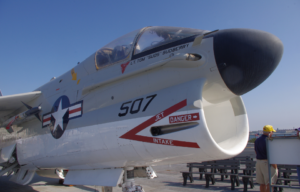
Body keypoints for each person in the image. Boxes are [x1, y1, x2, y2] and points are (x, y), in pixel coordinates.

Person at [254, 125, 278, 192]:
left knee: (262, 183)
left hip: (259, 162)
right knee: (270, 183)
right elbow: (270, 154)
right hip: (267, 163)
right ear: (269, 132)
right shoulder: (269, 141)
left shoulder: (257, 140)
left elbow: (256, 151)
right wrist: (275, 166)